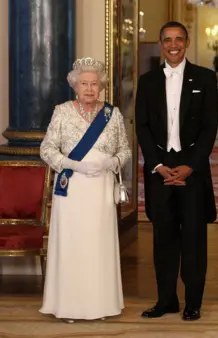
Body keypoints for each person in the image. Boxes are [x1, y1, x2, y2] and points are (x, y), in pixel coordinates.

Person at [135, 21, 218, 321]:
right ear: (160, 43)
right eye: (168, 40)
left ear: (187, 41)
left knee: (194, 239)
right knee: (163, 239)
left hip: (193, 171)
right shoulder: (146, 81)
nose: (174, 45)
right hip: (159, 170)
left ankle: (193, 302)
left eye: (179, 39)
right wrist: (158, 165)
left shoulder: (205, 78)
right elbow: (142, 126)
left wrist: (189, 166)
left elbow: (211, 128)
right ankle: (166, 300)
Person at [39, 57, 131, 323]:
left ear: (101, 86)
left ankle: (101, 305)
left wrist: (111, 162)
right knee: (73, 244)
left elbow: (124, 150)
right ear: (75, 86)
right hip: (72, 188)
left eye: (94, 83)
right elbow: (46, 149)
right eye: (84, 84)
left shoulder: (112, 115)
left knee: (97, 245)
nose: (89, 88)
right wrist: (70, 164)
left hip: (101, 188)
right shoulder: (62, 111)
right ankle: (69, 306)